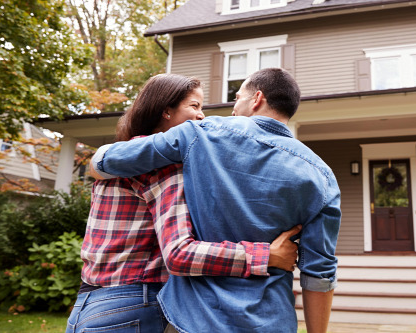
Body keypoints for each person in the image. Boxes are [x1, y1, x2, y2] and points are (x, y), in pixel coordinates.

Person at [90, 68, 340, 333]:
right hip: (271, 320)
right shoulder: (322, 176)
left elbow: (107, 161)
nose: (232, 109)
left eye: (237, 99)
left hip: (196, 319)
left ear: (256, 99)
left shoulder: (199, 133)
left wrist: (97, 162)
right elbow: (320, 273)